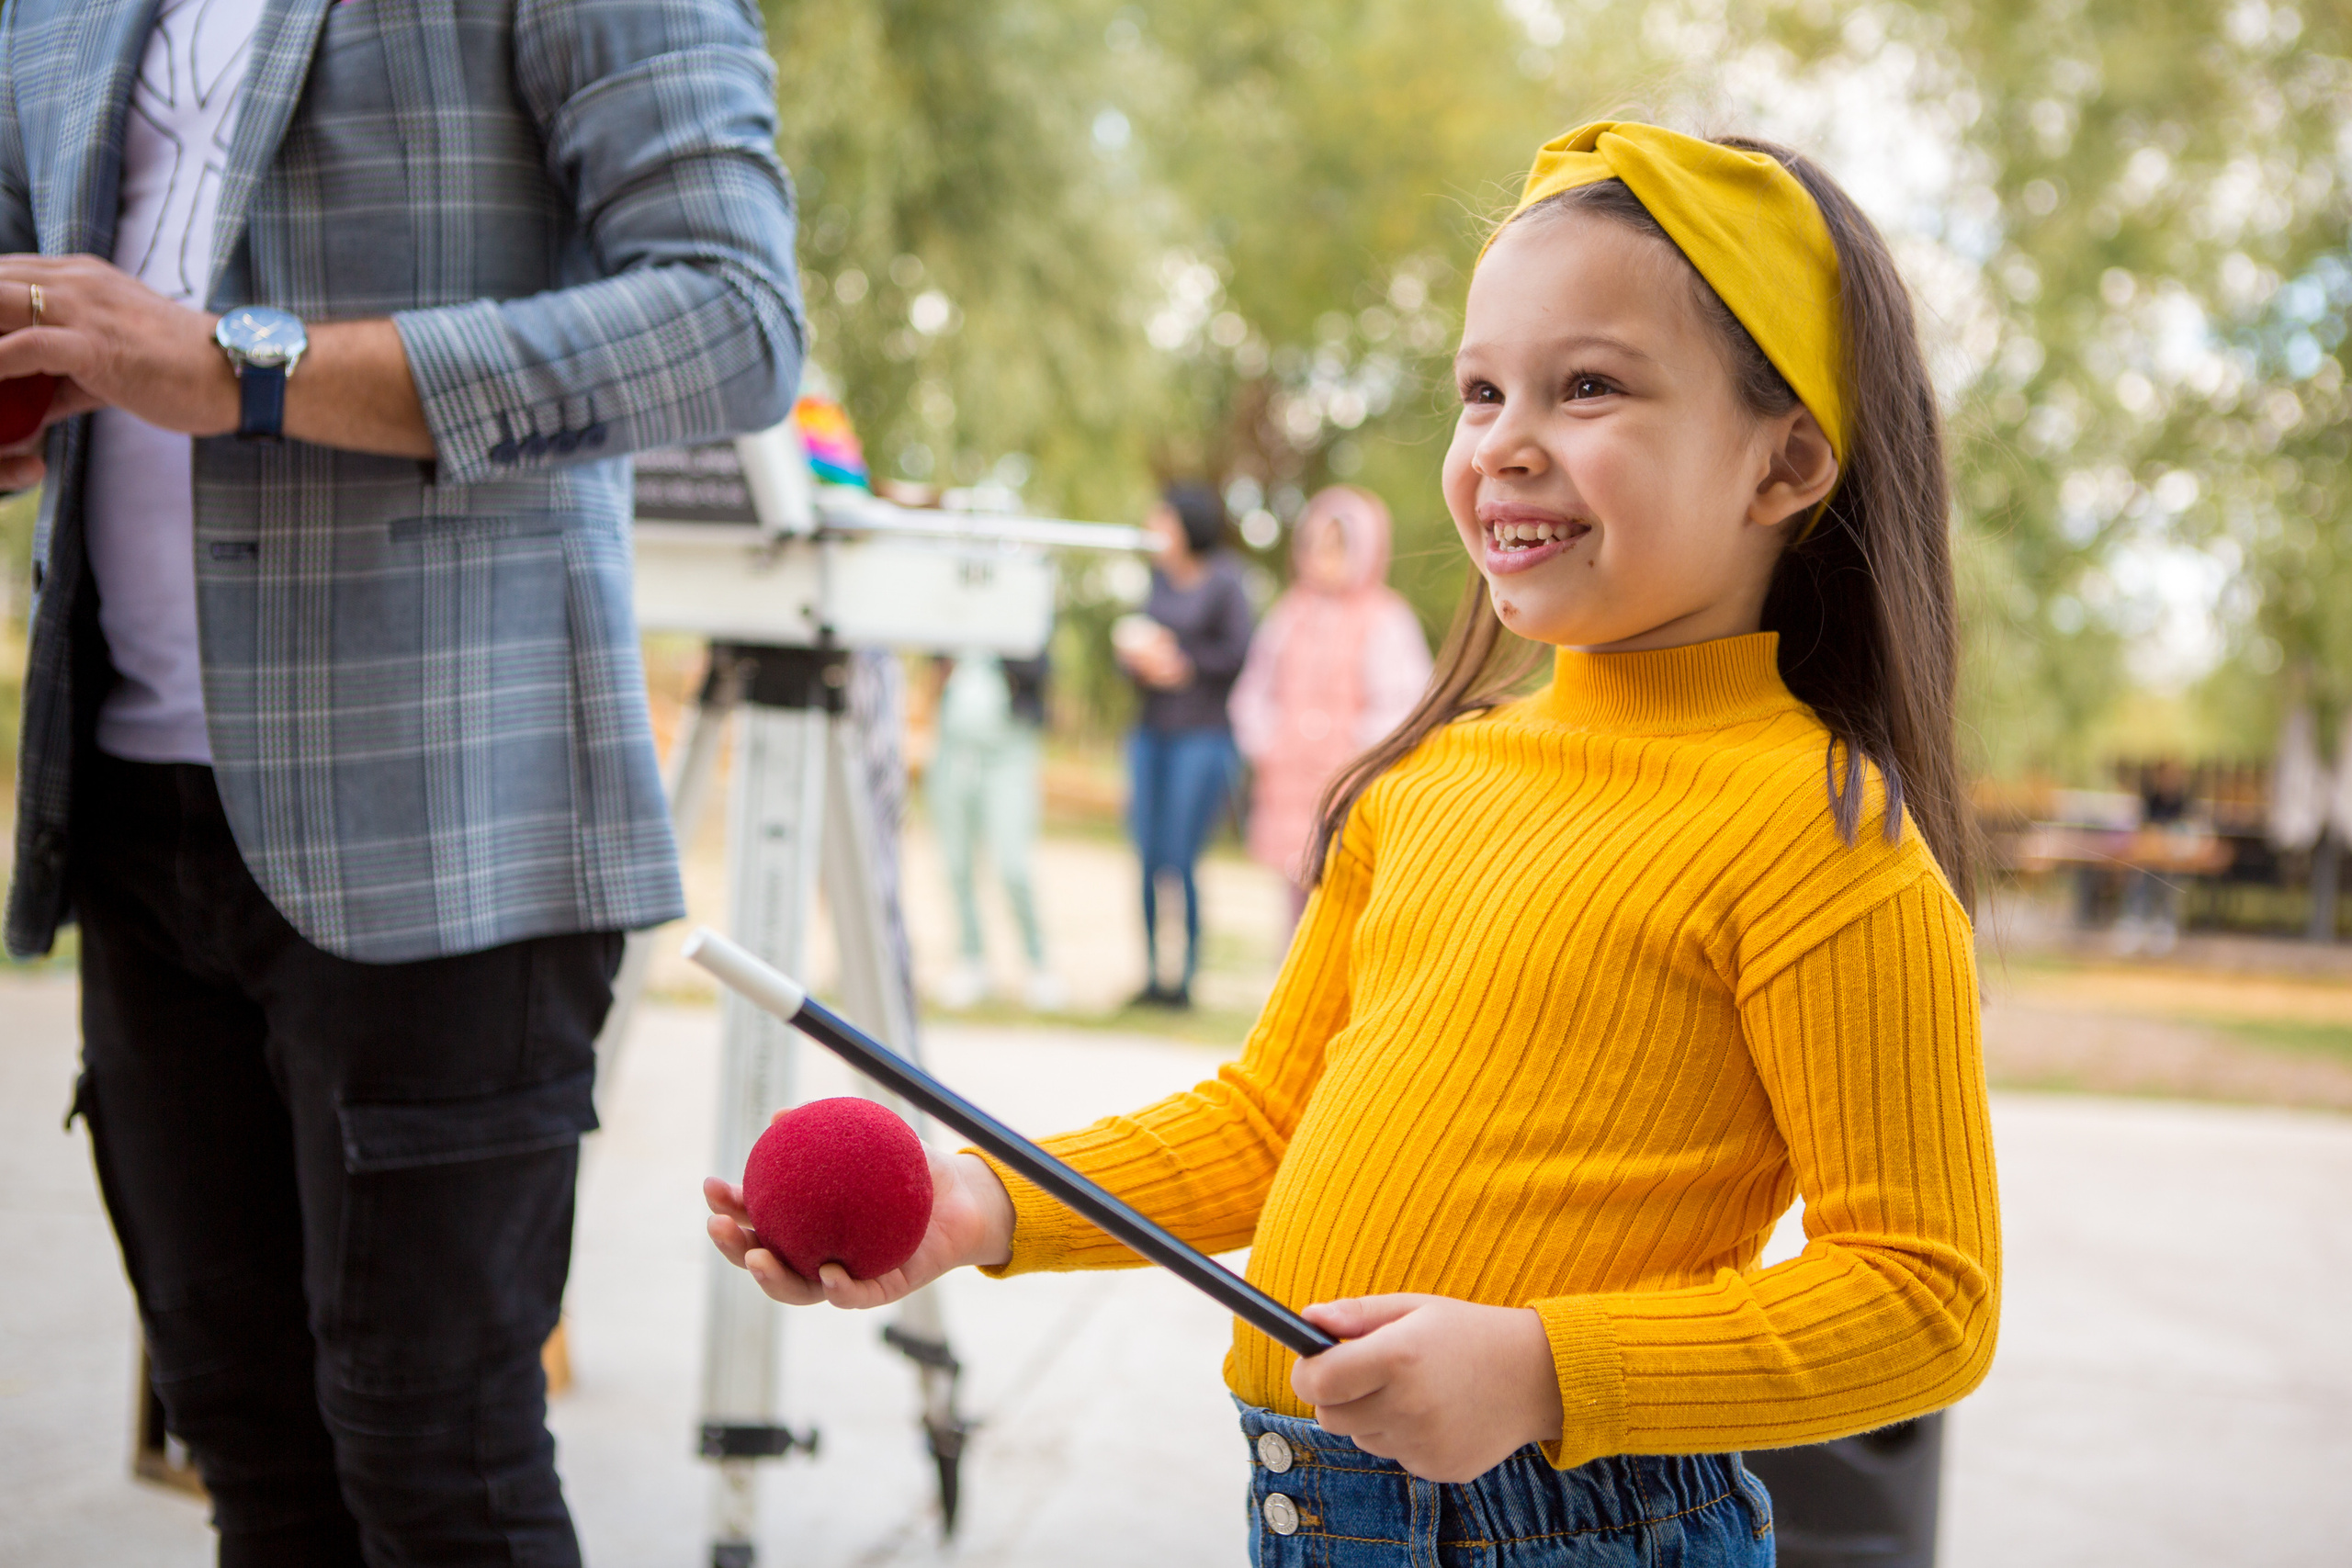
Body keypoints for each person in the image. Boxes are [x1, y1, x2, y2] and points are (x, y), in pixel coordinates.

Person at [708, 121, 1998, 1565]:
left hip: (1586, 1527)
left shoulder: (1825, 836)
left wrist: (1541, 1367)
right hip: (1319, 1506)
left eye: (1588, 387)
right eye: (1480, 390)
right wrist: (976, 1203)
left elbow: (1922, 1296)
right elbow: (1270, 1121)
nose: (1503, 440)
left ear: (1785, 464)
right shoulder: (1426, 781)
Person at [0, 0, 802, 1557]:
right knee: (248, 1457)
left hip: (456, 827)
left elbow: (732, 320)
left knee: (438, 1470)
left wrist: (243, 365)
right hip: (132, 823)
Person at [1228, 485, 1431, 930]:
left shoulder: (1386, 618)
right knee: (1296, 894)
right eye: (1316, 545)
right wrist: (1267, 742)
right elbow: (1255, 688)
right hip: (1291, 780)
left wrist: (1360, 751)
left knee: (1350, 897)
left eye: (1337, 547)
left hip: (1352, 781)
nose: (1325, 558)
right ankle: (1292, 989)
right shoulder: (1289, 614)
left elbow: (1405, 700)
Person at [1114, 480, 1254, 1008]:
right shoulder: (1155, 582)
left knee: (1182, 856)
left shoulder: (1225, 582)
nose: (1154, 530)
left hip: (1203, 736)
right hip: (1150, 733)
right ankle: (1151, 975)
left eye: (1162, 521)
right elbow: (1132, 646)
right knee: (1147, 856)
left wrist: (1186, 664)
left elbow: (1239, 653)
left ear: (1185, 526)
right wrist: (1138, 662)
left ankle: (1186, 981)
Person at [929, 649, 1064, 1011]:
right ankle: (971, 960)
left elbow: (1041, 670)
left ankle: (1038, 965)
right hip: (953, 755)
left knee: (1013, 867)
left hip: (1008, 757)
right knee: (957, 866)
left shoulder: (1021, 618)